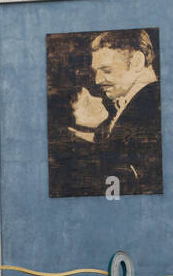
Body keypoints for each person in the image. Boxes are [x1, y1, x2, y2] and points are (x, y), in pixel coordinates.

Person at [68, 29, 163, 194]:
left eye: (107, 70)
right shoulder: (137, 106)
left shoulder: (152, 107)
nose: (98, 80)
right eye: (96, 71)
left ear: (137, 62)